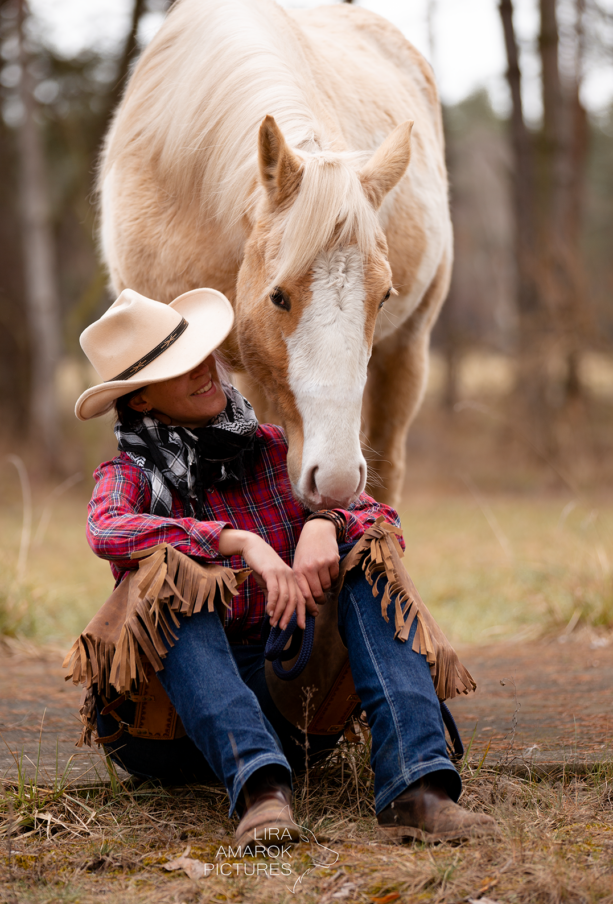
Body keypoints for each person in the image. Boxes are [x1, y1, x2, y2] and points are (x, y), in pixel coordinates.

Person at [71, 286, 497, 847]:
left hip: (285, 691)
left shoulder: (274, 450)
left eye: (205, 353)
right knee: (170, 578)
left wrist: (326, 523)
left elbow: (381, 516)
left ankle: (418, 787)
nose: (206, 371)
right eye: (180, 367)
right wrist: (236, 541)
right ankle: (261, 793)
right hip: (166, 726)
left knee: (368, 556)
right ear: (144, 400)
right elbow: (106, 529)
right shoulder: (128, 474)